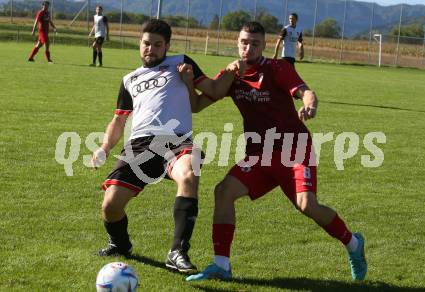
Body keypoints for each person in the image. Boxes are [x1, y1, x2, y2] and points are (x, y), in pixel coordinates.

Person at [185, 21, 367, 281]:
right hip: (260, 153)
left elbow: (306, 93)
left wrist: (310, 106)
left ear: (265, 45)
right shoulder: (231, 75)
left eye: (255, 43)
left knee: (307, 205)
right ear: (237, 43)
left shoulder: (278, 68)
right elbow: (197, 105)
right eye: (244, 42)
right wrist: (186, 81)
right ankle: (221, 265)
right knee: (223, 191)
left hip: (294, 150)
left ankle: (353, 244)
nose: (248, 48)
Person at [91, 19, 233, 274]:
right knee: (110, 207)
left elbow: (212, 89)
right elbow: (119, 119)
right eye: (147, 44)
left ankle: (177, 251)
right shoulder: (129, 79)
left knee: (189, 174)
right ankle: (120, 244)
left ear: (167, 46)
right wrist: (103, 148)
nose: (151, 49)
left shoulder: (182, 63)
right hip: (139, 145)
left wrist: (230, 71)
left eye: (158, 45)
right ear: (140, 44)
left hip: (177, 141)